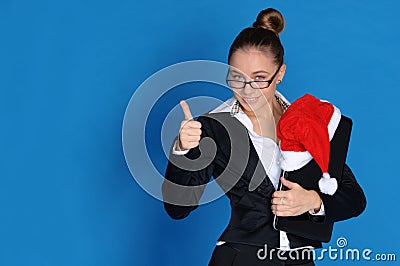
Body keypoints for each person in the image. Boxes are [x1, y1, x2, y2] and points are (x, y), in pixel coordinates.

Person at [162, 8, 366, 266]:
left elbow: (354, 198)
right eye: (237, 78)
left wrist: (314, 201)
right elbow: (177, 209)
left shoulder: (308, 121)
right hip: (241, 257)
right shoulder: (214, 128)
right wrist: (183, 150)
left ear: (280, 73)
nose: (247, 91)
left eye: (259, 79)